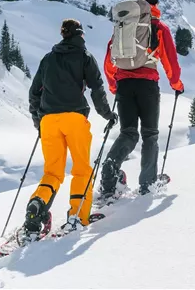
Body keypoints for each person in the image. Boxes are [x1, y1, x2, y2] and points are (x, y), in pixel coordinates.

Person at [24, 19, 118, 239]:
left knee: (52, 173)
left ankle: (37, 205)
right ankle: (78, 216)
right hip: (74, 118)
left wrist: (39, 121)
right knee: (82, 170)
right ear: (80, 35)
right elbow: (96, 88)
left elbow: (34, 93)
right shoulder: (84, 57)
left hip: (49, 121)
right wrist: (108, 114)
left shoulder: (48, 59)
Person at [99, 0, 184, 198]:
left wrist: (113, 85)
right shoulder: (158, 27)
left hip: (124, 85)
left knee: (128, 132)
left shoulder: (123, 26)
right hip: (147, 85)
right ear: (155, 2)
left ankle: (110, 170)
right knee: (150, 135)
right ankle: (148, 184)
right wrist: (176, 85)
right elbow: (170, 62)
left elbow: (110, 60)